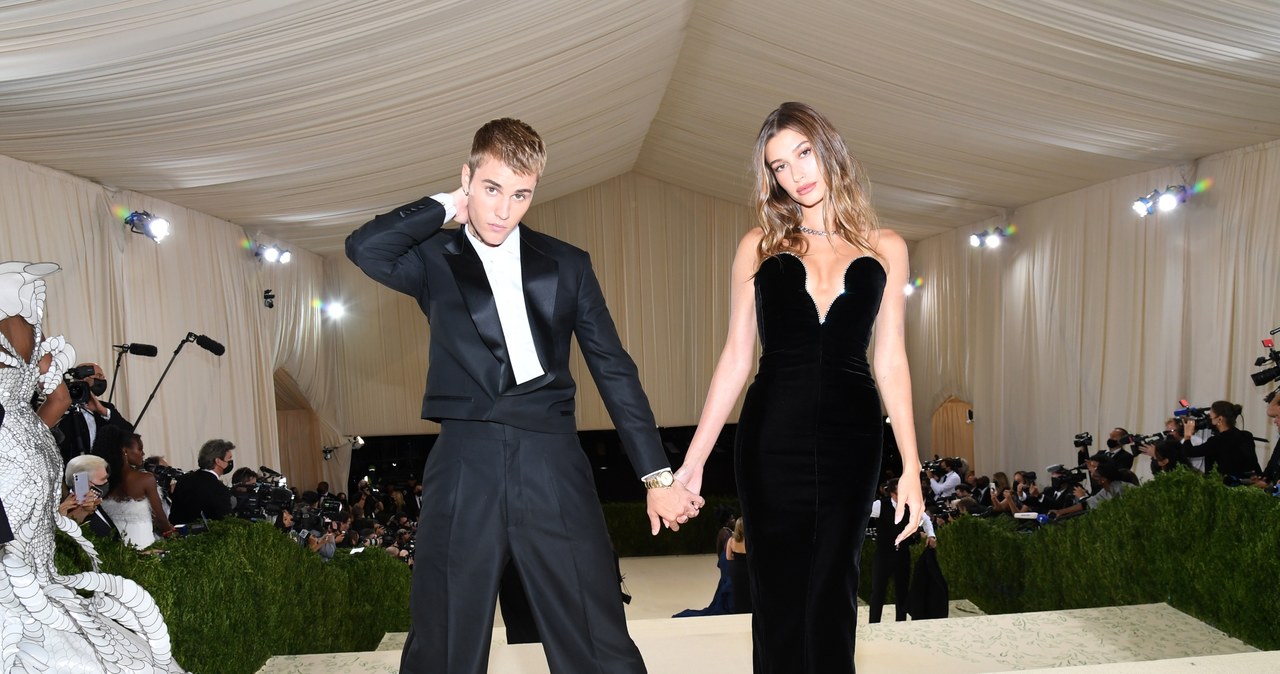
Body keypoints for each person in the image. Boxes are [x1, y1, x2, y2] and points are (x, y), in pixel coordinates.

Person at [346, 117, 703, 674]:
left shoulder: (566, 263)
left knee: (595, 628)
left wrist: (657, 477)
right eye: (491, 189)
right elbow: (365, 247)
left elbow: (614, 370)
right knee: (443, 635)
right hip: (466, 458)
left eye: (520, 195)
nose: (503, 209)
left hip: (552, 458)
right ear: (468, 178)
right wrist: (446, 207)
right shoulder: (434, 259)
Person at [673, 102, 924, 673]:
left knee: (836, 589)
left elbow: (891, 361)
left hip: (853, 441)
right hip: (771, 439)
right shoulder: (758, 245)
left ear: (828, 149)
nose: (795, 173)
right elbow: (736, 357)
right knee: (778, 594)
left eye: (803, 154)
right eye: (779, 166)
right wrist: (693, 464)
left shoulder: (888, 247)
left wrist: (910, 466)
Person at [0, 261, 183, 672]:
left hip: (12, 467)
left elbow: (54, 401)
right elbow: (61, 400)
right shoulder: (24, 335)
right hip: (31, 456)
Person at [93, 426, 176, 548]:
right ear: (125, 451)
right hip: (144, 548)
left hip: (115, 550)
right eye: (140, 449)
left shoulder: (102, 480)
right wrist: (176, 535)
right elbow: (161, 520)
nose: (143, 453)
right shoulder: (145, 479)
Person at [868, 478, 937, 623]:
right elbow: (862, 512)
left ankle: (901, 623)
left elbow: (925, 519)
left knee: (902, 591)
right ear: (893, 494)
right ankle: (874, 623)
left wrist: (931, 535)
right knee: (878, 591)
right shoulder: (880, 505)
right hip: (883, 555)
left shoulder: (912, 506)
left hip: (902, 555)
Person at [54, 361, 134, 465]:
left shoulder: (106, 408)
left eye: (103, 377)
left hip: (104, 472)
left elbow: (129, 433)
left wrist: (103, 412)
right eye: (98, 376)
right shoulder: (63, 408)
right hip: (72, 470)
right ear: (83, 379)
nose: (102, 380)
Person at [1181, 401, 1261, 483]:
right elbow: (1253, 463)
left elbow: (1189, 451)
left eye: (1211, 417)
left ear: (1219, 419)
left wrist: (1187, 435)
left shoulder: (1217, 441)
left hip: (1224, 488)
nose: (1209, 420)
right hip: (1246, 485)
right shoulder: (1246, 436)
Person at [169, 438, 236, 524]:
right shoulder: (219, 489)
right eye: (229, 459)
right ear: (218, 461)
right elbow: (225, 522)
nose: (230, 462)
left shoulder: (184, 479)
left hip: (178, 534)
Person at [726, 517, 752, 614]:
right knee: (750, 592)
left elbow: (728, 557)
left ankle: (739, 613)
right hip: (749, 570)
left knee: (738, 593)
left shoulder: (731, 540)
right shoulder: (751, 541)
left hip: (736, 570)